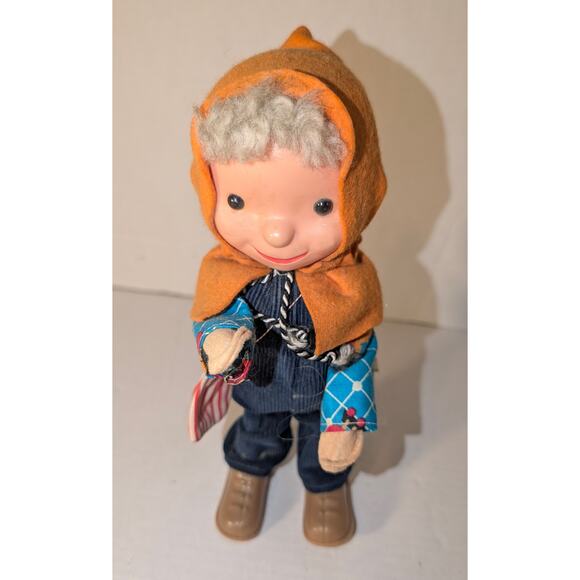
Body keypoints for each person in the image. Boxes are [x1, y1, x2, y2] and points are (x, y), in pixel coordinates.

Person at [189, 26, 386, 546]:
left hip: (324, 394)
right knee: (257, 429)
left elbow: (358, 350)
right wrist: (220, 338)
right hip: (260, 386)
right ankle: (248, 470)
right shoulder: (227, 268)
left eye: (320, 205)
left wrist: (348, 416)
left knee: (326, 444)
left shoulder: (350, 282)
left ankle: (325, 486)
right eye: (238, 202)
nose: (277, 234)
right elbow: (213, 311)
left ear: (360, 192)